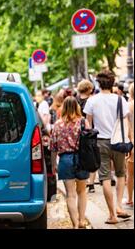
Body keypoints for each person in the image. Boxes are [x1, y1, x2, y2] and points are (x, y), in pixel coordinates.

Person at [83, 70, 131, 224]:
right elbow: (125, 121)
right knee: (121, 174)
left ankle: (112, 214)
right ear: (112, 83)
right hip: (118, 141)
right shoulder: (120, 100)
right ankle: (118, 206)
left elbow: (88, 124)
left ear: (98, 83)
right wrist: (130, 140)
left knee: (104, 177)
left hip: (100, 142)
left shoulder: (92, 100)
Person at [51, 97, 91, 229]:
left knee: (70, 194)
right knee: (82, 191)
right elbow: (90, 142)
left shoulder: (57, 124)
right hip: (82, 159)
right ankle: (81, 220)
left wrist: (53, 164)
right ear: (77, 107)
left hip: (65, 160)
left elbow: (53, 147)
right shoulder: (83, 122)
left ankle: (74, 224)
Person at [75, 79, 97, 193]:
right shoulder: (92, 100)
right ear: (89, 89)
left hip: (77, 131)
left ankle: (80, 179)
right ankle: (91, 183)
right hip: (89, 130)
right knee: (91, 154)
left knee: (79, 154)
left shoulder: (75, 100)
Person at [126, 83, 134, 207]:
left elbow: (129, 128)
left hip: (133, 141)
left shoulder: (129, 106)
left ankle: (130, 199)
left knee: (130, 174)